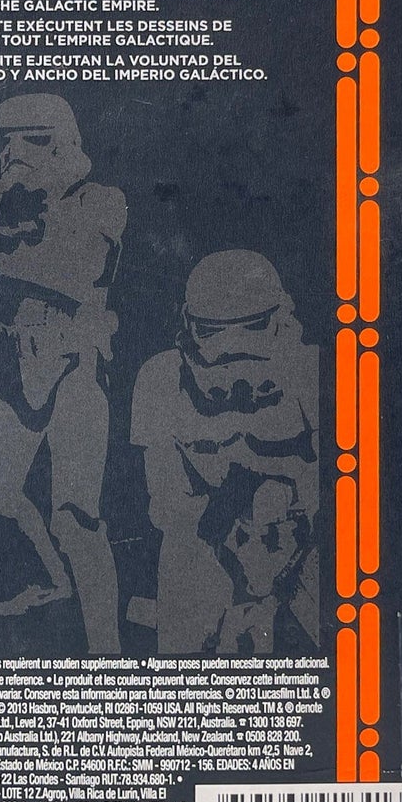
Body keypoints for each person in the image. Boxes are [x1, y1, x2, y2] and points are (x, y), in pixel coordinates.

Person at [0, 94, 126, 651]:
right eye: (9, 141)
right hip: (13, 359)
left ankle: (106, 650)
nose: (17, 152)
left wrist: (26, 217)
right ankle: (53, 577)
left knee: (76, 517)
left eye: (35, 140)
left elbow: (81, 272)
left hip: (77, 363)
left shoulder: (102, 200)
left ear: (64, 142)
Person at [131, 250, 321, 655]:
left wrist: (278, 519)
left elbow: (342, 492)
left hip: (301, 540)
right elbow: (166, 506)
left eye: (254, 327)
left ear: (283, 319)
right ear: (189, 326)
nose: (233, 350)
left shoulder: (312, 374)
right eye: (213, 332)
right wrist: (236, 523)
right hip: (208, 534)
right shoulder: (162, 380)